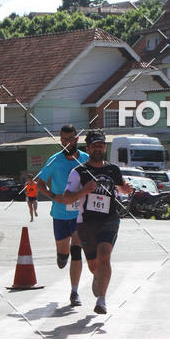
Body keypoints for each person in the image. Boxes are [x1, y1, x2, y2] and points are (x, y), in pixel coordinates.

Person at [58, 130, 133, 315]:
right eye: (94, 146)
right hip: (86, 223)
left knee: (104, 254)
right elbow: (67, 198)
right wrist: (84, 191)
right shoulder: (79, 172)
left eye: (100, 145)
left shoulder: (113, 169)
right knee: (93, 265)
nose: (97, 148)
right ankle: (97, 277)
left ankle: (102, 300)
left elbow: (121, 188)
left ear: (104, 147)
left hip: (109, 219)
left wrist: (126, 189)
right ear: (88, 148)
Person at [36, 124, 90, 307]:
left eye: (70, 139)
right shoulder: (54, 160)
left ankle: (74, 292)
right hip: (60, 214)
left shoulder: (86, 159)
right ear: (61, 140)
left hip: (80, 214)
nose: (67, 143)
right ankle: (61, 254)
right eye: (64, 139)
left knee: (77, 250)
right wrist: (53, 196)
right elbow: (40, 183)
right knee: (62, 256)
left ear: (76, 139)